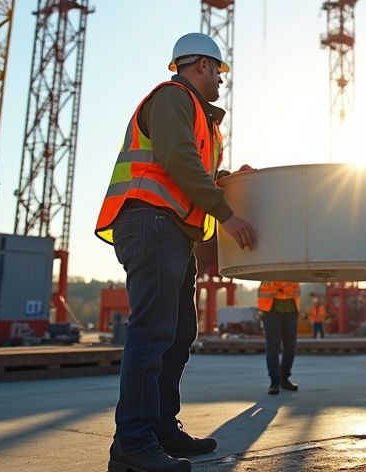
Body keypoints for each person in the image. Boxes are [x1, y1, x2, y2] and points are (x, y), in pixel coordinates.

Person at [95, 32, 256, 472]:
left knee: (179, 332)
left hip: (172, 230)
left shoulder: (199, 116)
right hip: (150, 221)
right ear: (201, 65)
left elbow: (194, 166)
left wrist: (226, 179)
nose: (222, 81)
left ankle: (162, 428)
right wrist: (226, 213)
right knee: (152, 332)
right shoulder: (172, 97)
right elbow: (178, 159)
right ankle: (132, 443)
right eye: (219, 71)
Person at [258, 281, 301, 395]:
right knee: (273, 345)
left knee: (290, 346)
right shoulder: (268, 267)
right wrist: (282, 289)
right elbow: (264, 290)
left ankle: (284, 379)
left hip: (291, 309)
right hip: (271, 309)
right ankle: (275, 382)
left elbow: (297, 289)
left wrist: (282, 290)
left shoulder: (293, 267)